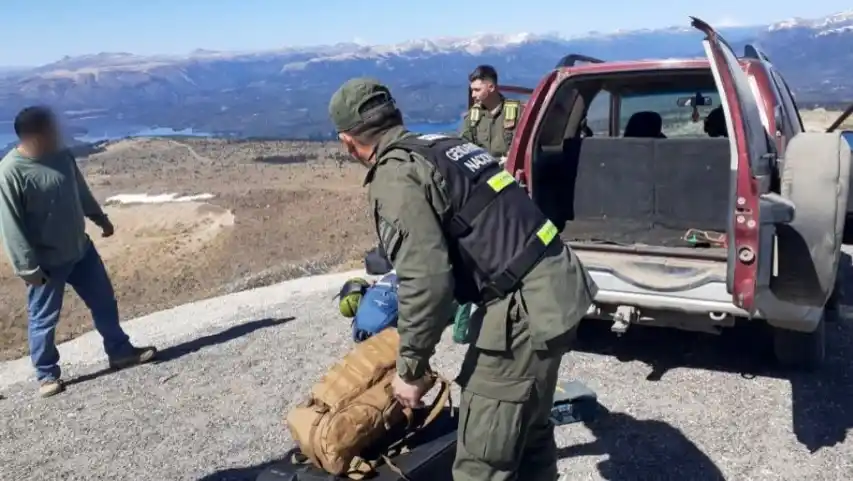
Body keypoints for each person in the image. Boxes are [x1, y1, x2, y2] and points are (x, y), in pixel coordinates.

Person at [328, 78, 597, 481]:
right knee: (528, 426)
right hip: (557, 284)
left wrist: (411, 370)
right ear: (394, 116)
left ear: (349, 142)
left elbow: (427, 280)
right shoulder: (445, 145)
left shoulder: (397, 175)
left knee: (482, 458)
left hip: (524, 308)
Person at [0, 106, 157, 398]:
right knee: (44, 318)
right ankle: (46, 375)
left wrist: (100, 218)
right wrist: (27, 267)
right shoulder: (10, 171)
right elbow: (10, 224)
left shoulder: (61, 155)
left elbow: (79, 191)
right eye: (50, 129)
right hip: (46, 263)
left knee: (104, 303)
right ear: (34, 135)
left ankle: (120, 352)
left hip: (80, 251)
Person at [460, 65, 523, 159]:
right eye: (472, 90)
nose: (473, 95)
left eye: (477, 90)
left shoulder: (516, 112)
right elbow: (463, 146)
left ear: (491, 87)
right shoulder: (473, 116)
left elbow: (524, 148)